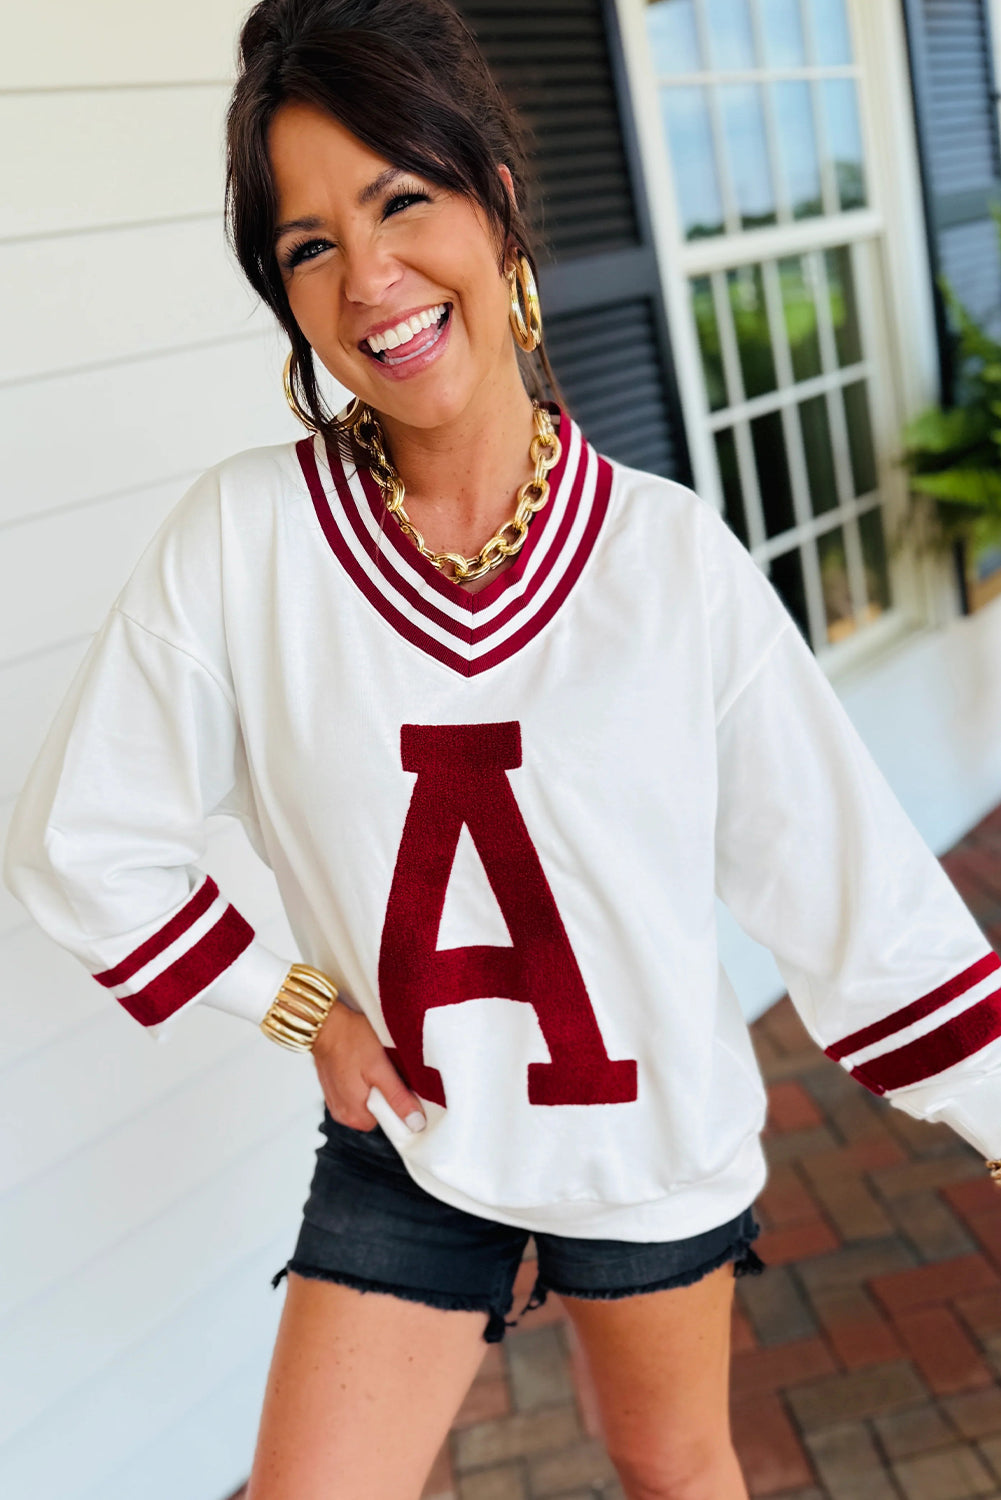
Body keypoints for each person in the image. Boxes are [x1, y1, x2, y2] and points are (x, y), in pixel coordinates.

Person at [6, 1, 1001, 1496]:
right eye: (309, 245)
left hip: (643, 1148)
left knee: (672, 1470)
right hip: (409, 1143)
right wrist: (299, 1011)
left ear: (497, 201)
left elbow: (847, 887)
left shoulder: (669, 563)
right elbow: (85, 843)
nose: (369, 277)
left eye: (402, 199)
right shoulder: (245, 544)